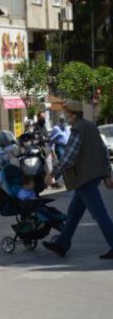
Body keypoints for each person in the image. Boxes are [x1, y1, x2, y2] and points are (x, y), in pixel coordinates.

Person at [43, 101, 113, 259]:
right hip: (91, 178)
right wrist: (107, 174)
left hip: (84, 179)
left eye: (66, 113)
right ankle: (62, 244)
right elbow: (103, 151)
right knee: (74, 213)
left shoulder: (77, 129)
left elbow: (69, 157)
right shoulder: (92, 127)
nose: (64, 117)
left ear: (73, 115)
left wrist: (52, 173)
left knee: (99, 214)